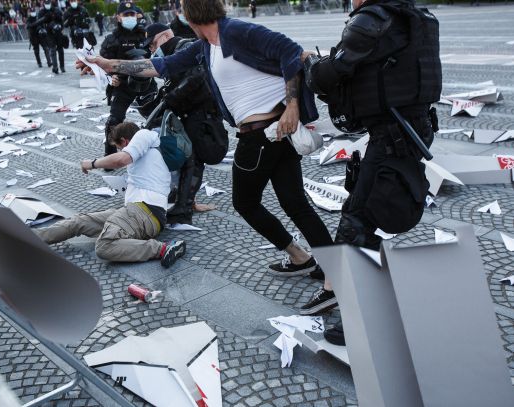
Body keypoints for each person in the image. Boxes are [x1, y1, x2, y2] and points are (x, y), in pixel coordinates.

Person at [77, 0, 333, 280]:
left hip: (262, 135)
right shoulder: (205, 47)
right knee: (294, 202)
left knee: (246, 203)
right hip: (271, 135)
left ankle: (311, 262)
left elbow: (291, 52)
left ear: (191, 14)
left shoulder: (235, 31)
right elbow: (158, 66)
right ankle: (320, 265)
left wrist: (293, 106)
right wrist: (107, 63)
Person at [301, 0, 441, 345]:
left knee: (356, 221)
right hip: (411, 128)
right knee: (365, 213)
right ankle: (376, 296)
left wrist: (312, 65)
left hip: (393, 134)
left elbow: (332, 73)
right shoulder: (414, 16)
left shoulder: (372, 19)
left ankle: (363, 317)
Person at [36, 122, 186, 267]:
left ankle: (162, 248)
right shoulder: (149, 154)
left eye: (118, 147)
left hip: (145, 212)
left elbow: (120, 160)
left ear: (125, 141)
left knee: (104, 246)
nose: (119, 151)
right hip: (135, 212)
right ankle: (31, 239)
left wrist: (92, 163)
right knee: (79, 221)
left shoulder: (143, 135)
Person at [142, 23, 226, 224]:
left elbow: (196, 77)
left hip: (202, 114)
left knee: (194, 160)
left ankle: (183, 208)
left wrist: (171, 99)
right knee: (190, 159)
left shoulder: (185, 46)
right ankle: (183, 202)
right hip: (191, 113)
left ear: (163, 37)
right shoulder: (174, 51)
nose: (152, 50)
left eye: (152, 45)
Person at [100, 1, 156, 158]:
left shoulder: (146, 35)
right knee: (113, 121)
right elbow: (102, 65)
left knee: (156, 117)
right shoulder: (112, 39)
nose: (129, 17)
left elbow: (158, 57)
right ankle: (109, 155)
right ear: (118, 17)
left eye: (132, 14)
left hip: (146, 83)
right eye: (126, 15)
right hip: (123, 86)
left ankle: (158, 151)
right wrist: (112, 77)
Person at [38, 0, 66, 74]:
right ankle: (55, 67)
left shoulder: (56, 10)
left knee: (60, 50)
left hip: (58, 31)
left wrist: (61, 26)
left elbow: (61, 20)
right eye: (46, 3)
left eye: (48, 3)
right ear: (44, 4)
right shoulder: (41, 12)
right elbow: (39, 23)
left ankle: (62, 67)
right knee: (52, 50)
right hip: (49, 33)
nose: (47, 5)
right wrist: (41, 29)